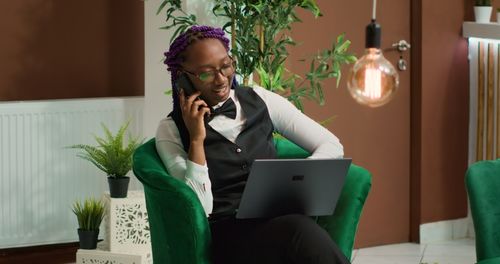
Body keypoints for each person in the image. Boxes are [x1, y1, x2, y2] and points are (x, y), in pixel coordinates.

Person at [156, 25, 350, 264]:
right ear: (183, 78)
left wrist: (299, 175)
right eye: (207, 73)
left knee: (297, 230)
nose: (221, 79)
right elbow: (198, 205)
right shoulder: (171, 130)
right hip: (230, 238)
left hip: (281, 223)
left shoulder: (261, 99)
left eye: (226, 66)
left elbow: (331, 144)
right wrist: (197, 138)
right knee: (299, 231)